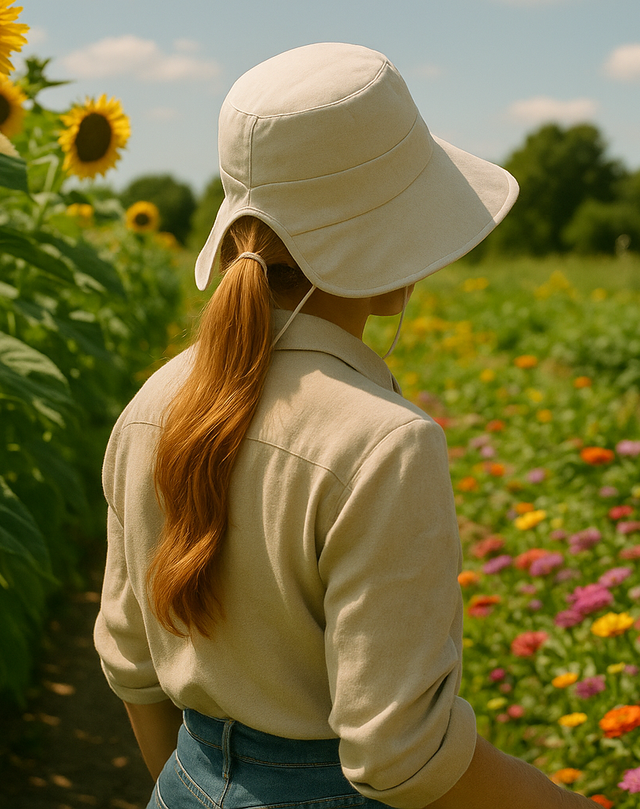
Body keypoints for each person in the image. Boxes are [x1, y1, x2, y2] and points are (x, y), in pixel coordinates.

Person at [93, 43, 599, 809]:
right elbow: (401, 758)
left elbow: (131, 665)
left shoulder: (153, 404)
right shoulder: (384, 443)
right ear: (393, 241)